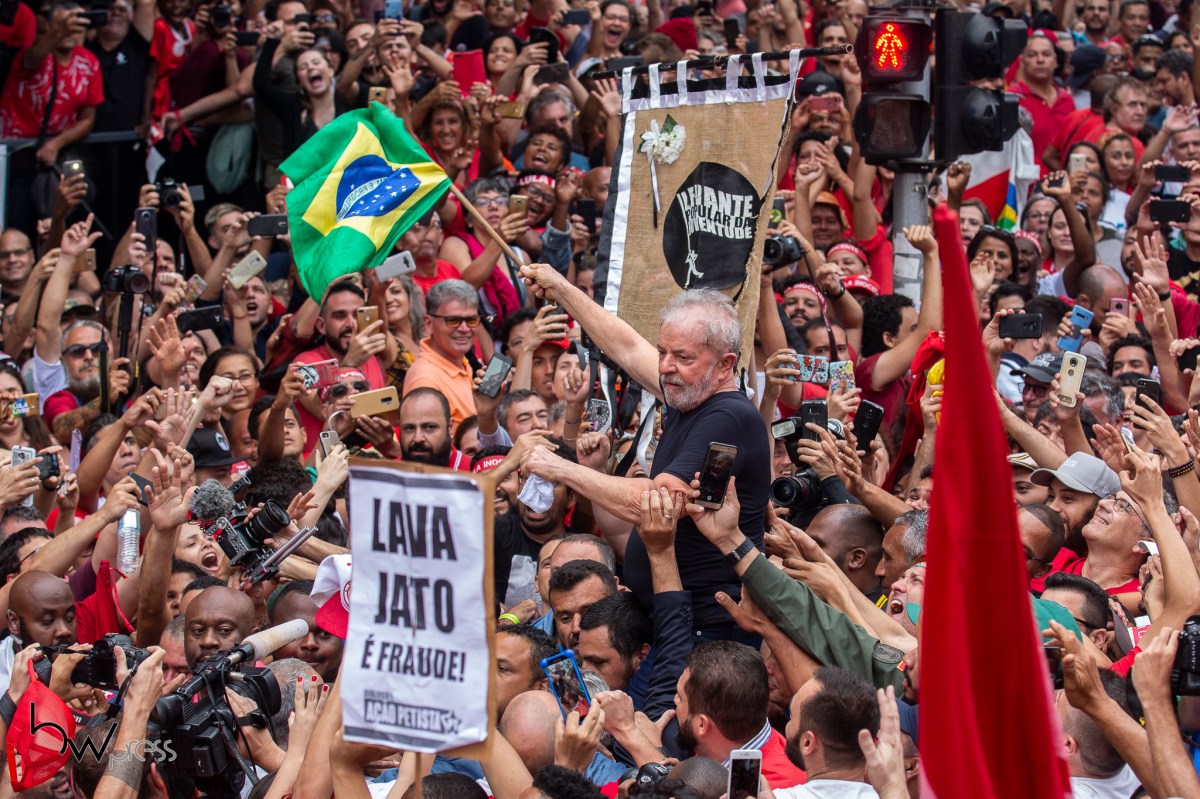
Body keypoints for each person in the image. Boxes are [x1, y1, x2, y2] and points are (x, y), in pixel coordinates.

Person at [516, 270, 771, 640]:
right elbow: (626, 347)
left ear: (725, 365)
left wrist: (560, 467)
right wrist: (562, 289)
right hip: (673, 616)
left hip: (707, 627)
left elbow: (654, 505)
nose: (666, 366)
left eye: (682, 357)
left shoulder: (728, 415)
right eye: (663, 352)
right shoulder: (690, 390)